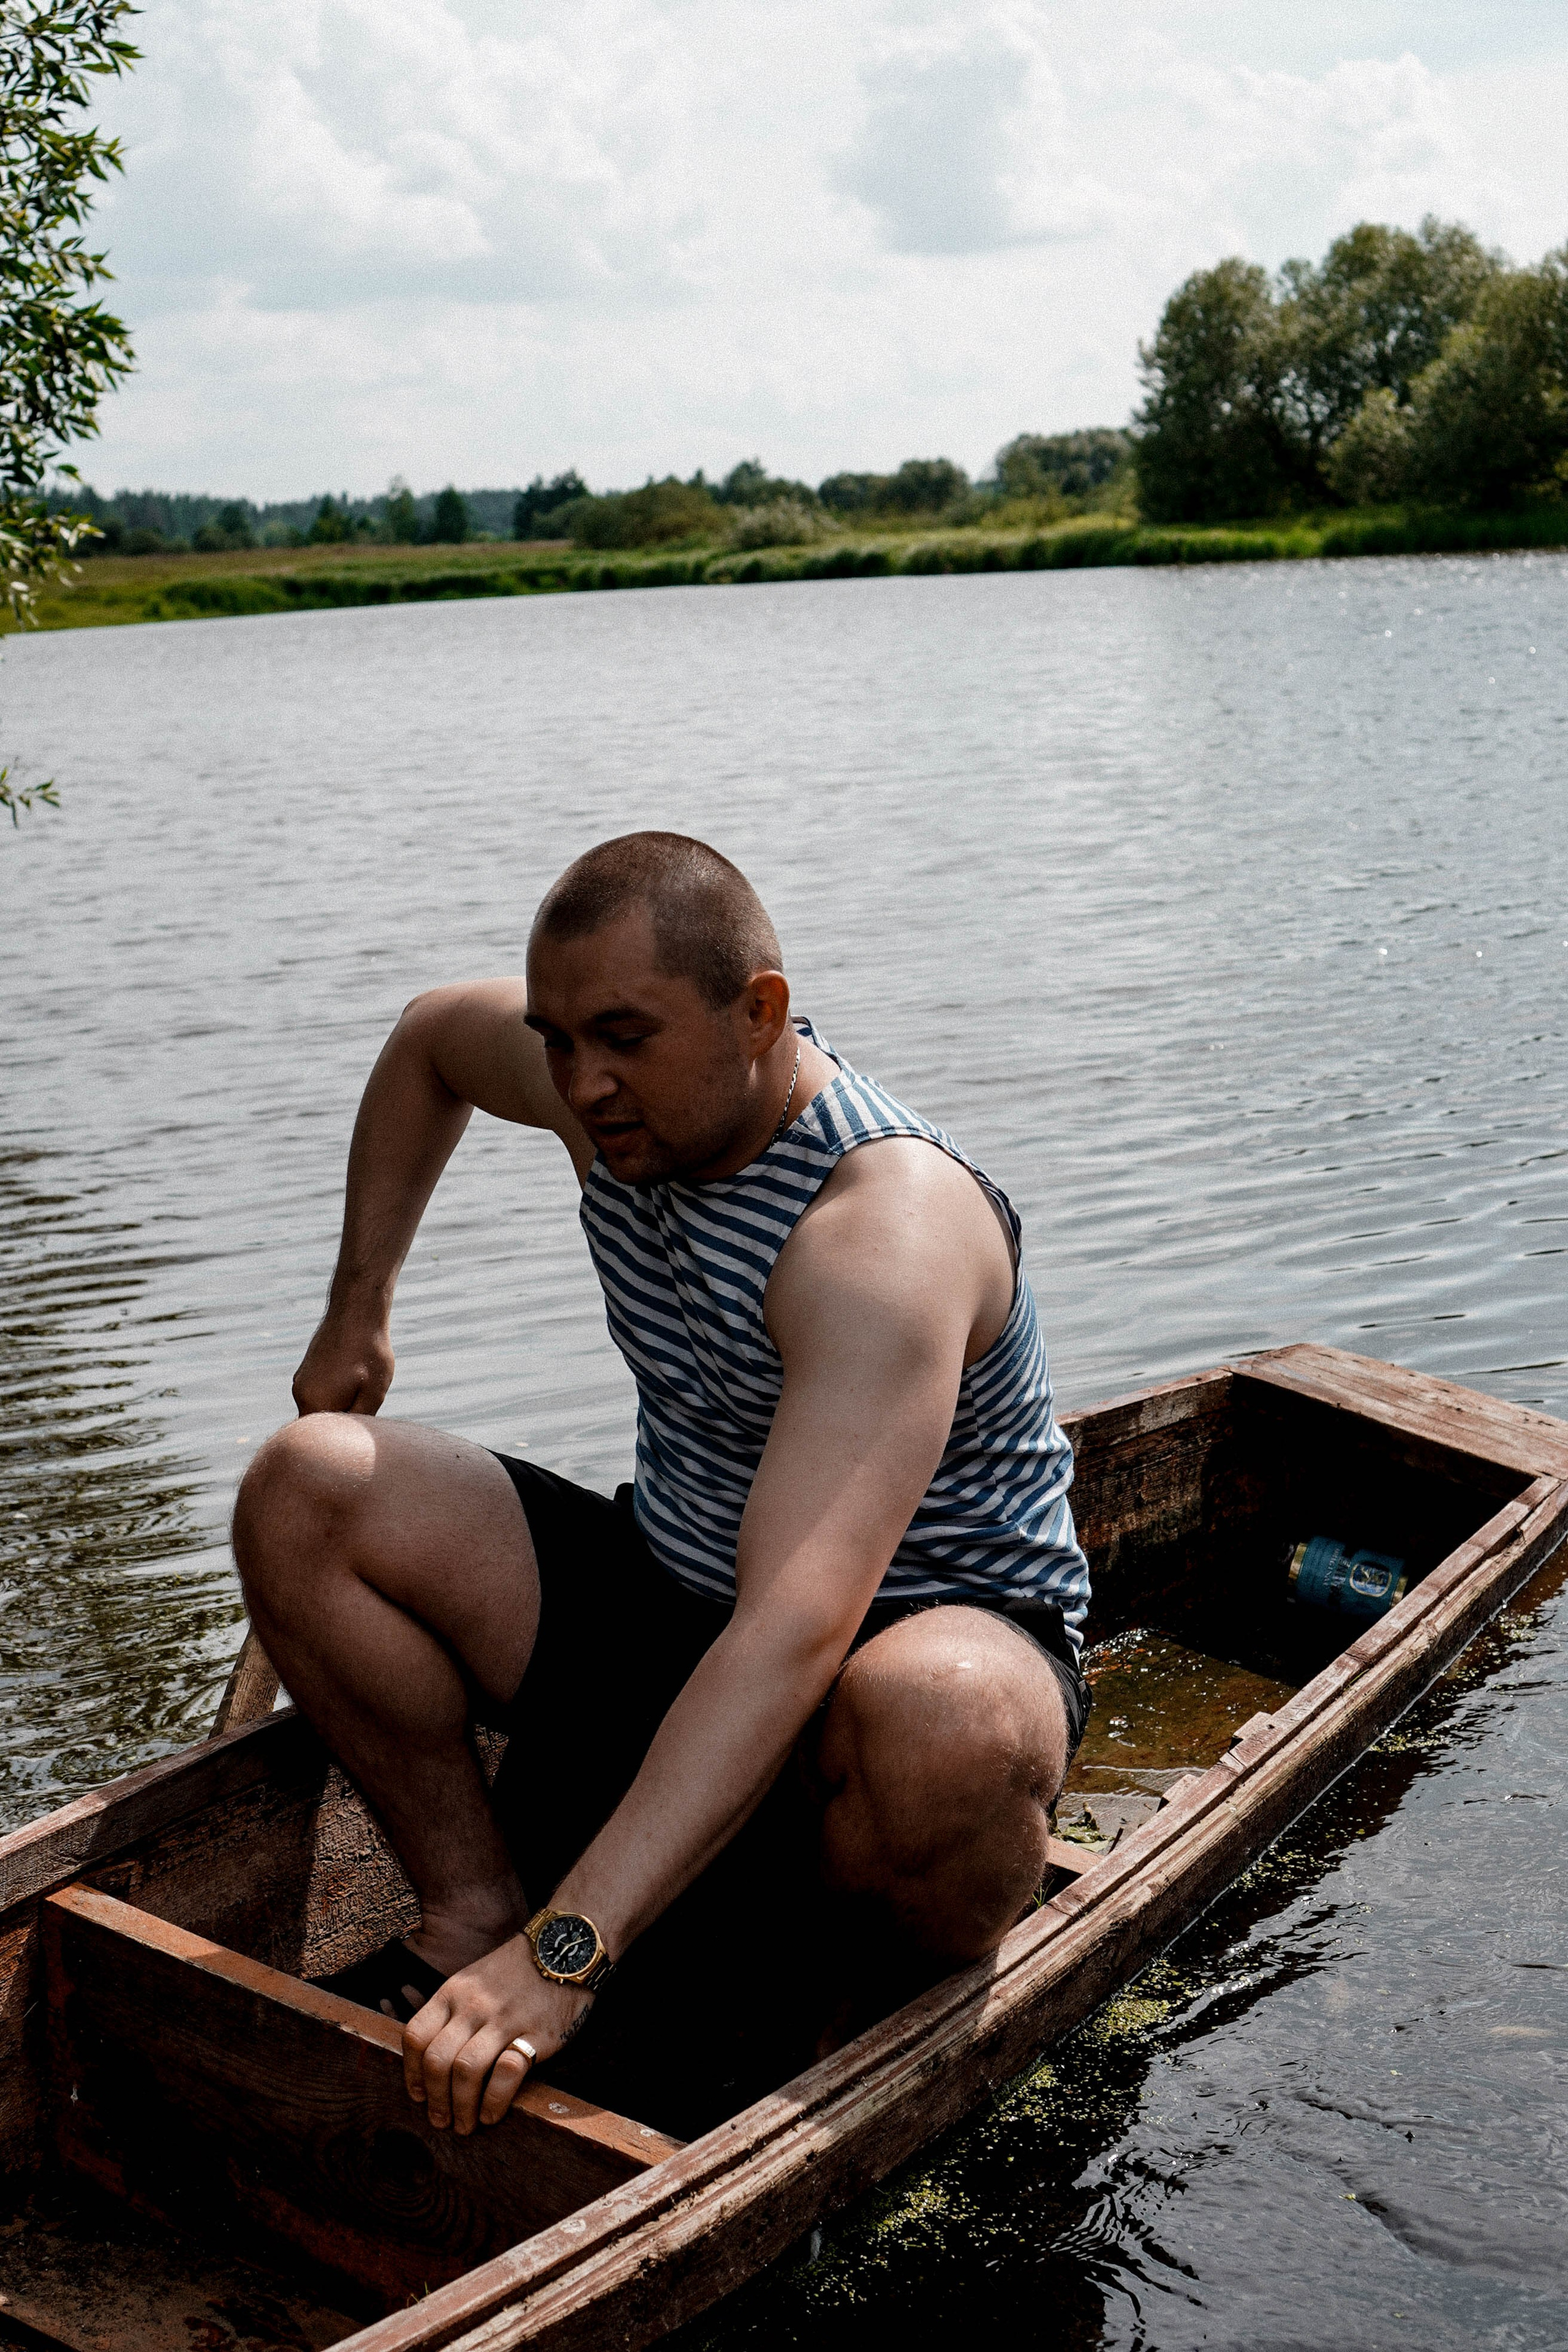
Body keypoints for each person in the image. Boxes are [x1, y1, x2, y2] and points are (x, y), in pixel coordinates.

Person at [233, 831, 1091, 2141]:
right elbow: (425, 1044)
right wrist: (358, 1310)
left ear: (758, 1013)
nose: (582, 1084)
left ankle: (850, 2024)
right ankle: (471, 1903)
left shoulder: (877, 1230)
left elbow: (793, 1623)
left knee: (945, 1721)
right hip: (675, 1596)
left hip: (892, 1642)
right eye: (559, 1040)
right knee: (307, 1490)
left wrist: (568, 1955)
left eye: (621, 1037)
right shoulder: (614, 1098)